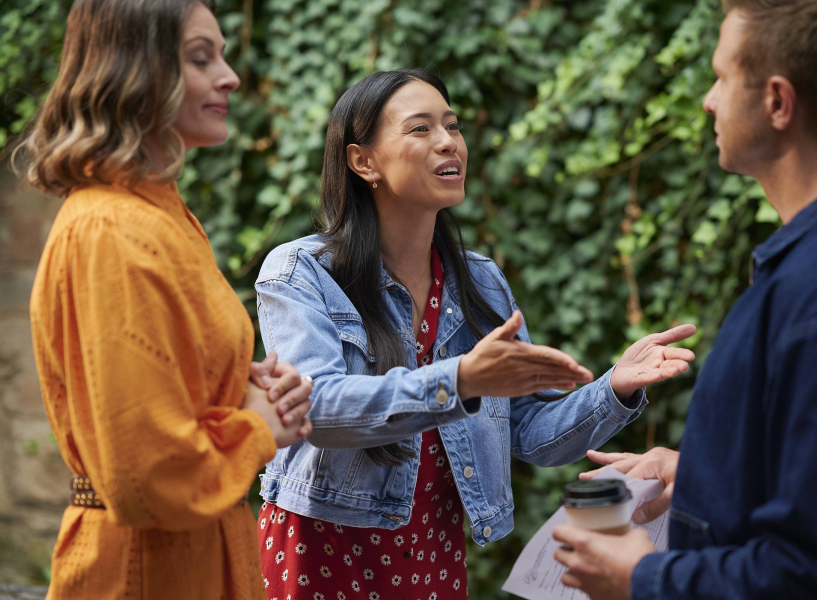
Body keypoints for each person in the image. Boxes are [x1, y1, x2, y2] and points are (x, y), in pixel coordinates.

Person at [253, 67, 698, 599]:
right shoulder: (302, 272)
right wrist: (459, 381)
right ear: (362, 161)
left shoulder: (479, 280)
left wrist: (614, 387)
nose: (448, 142)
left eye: (453, 125)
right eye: (421, 128)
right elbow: (317, 411)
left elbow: (530, 431)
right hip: (323, 550)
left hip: (433, 554)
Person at [552, 0, 817, 598]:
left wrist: (642, 578)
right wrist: (704, 478)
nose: (709, 101)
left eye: (720, 77)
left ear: (777, 102)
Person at [16, 1, 314, 598]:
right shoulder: (111, 229)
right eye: (201, 59)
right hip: (145, 570)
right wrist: (256, 427)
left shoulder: (156, 212)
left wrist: (242, 387)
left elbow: (169, 386)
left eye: (221, 56)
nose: (230, 77)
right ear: (134, 70)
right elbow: (146, 475)